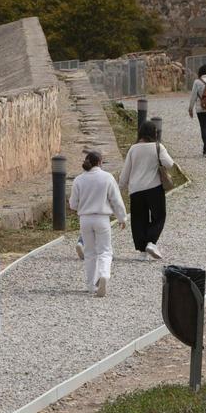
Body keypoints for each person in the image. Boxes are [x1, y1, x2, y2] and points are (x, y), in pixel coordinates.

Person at [69, 150, 128, 297]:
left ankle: (91, 285)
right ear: (100, 162)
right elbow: (116, 200)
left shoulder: (79, 180)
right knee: (105, 251)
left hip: (85, 219)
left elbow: (73, 204)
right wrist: (122, 218)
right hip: (102, 218)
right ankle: (103, 275)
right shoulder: (107, 178)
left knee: (89, 253)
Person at [119, 121, 174, 260]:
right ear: (154, 133)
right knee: (159, 216)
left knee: (138, 220)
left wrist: (120, 187)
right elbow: (169, 164)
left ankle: (142, 252)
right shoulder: (158, 147)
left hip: (136, 189)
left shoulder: (133, 149)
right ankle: (151, 242)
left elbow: (125, 172)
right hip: (154, 188)